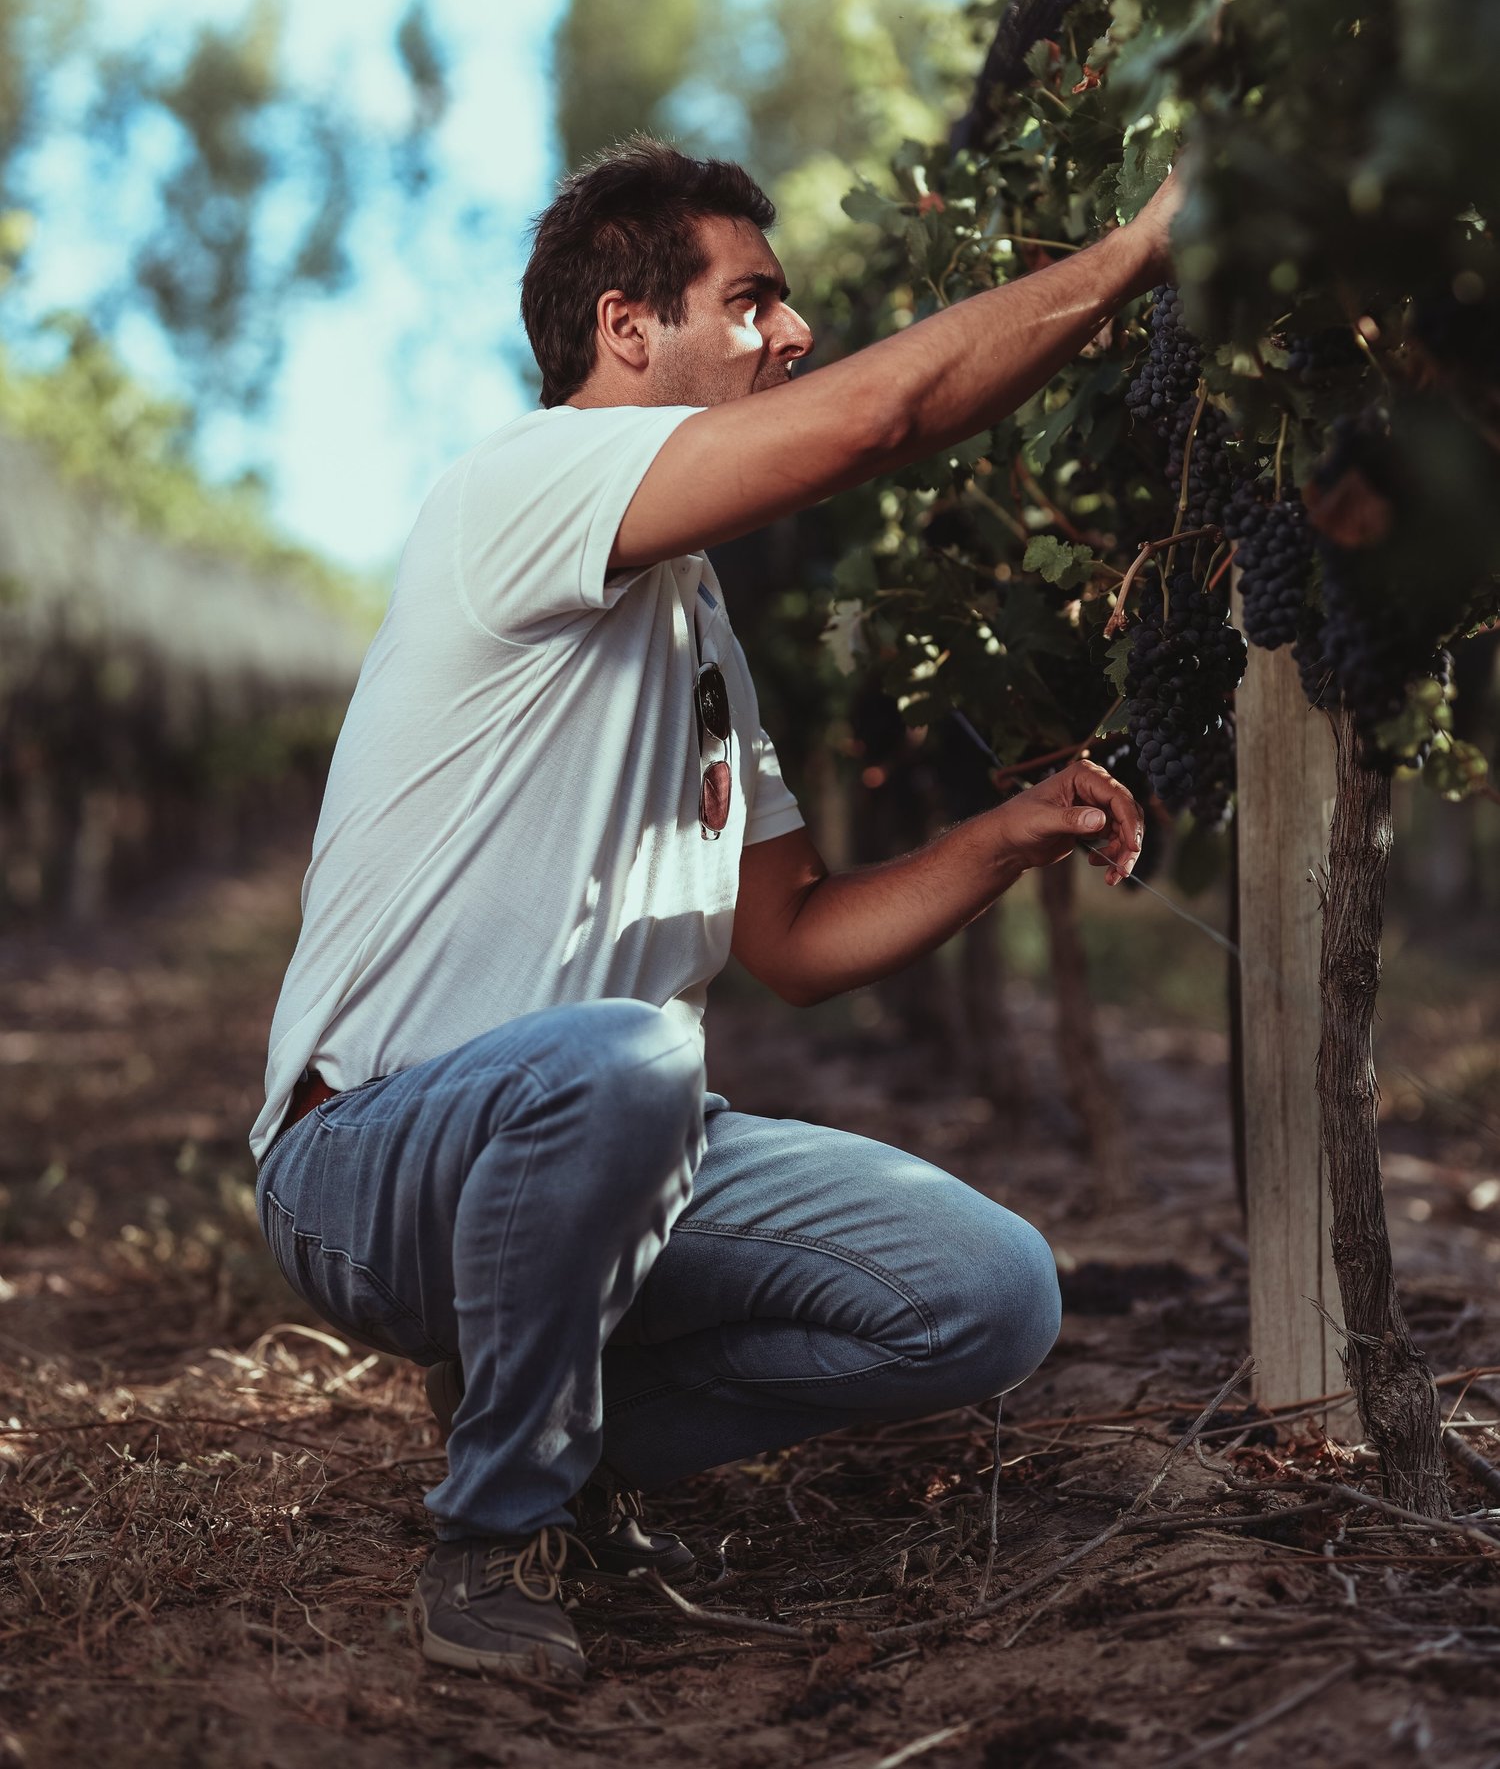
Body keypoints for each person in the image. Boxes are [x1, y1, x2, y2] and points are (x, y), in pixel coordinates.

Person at [251, 138, 1174, 1683]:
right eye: (752, 301)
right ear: (628, 329)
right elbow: (883, 413)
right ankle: (495, 1531)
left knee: (988, 1294)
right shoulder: (523, 484)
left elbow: (798, 938)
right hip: (370, 1163)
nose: (790, 332)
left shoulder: (698, 630)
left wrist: (1006, 836)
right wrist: (1139, 246)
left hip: (611, 1145)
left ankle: (545, 1422)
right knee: (629, 1057)